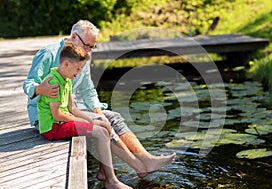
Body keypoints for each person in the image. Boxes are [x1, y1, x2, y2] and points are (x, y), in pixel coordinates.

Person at [23, 19, 176, 179]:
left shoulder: (82, 57)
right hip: (46, 116)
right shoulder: (49, 53)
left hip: (69, 108)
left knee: (111, 117)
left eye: (92, 47)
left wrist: (97, 111)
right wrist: (40, 89)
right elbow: (29, 83)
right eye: (87, 45)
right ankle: (137, 166)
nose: (89, 51)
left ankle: (145, 159)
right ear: (74, 36)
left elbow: (87, 89)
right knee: (102, 123)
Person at [38, 41, 134, 189]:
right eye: (78, 68)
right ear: (67, 64)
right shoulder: (53, 82)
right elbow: (57, 114)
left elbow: (72, 108)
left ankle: (103, 171)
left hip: (63, 121)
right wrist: (83, 121)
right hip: (53, 127)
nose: (79, 72)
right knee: (101, 133)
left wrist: (92, 119)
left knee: (105, 125)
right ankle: (112, 181)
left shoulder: (66, 79)